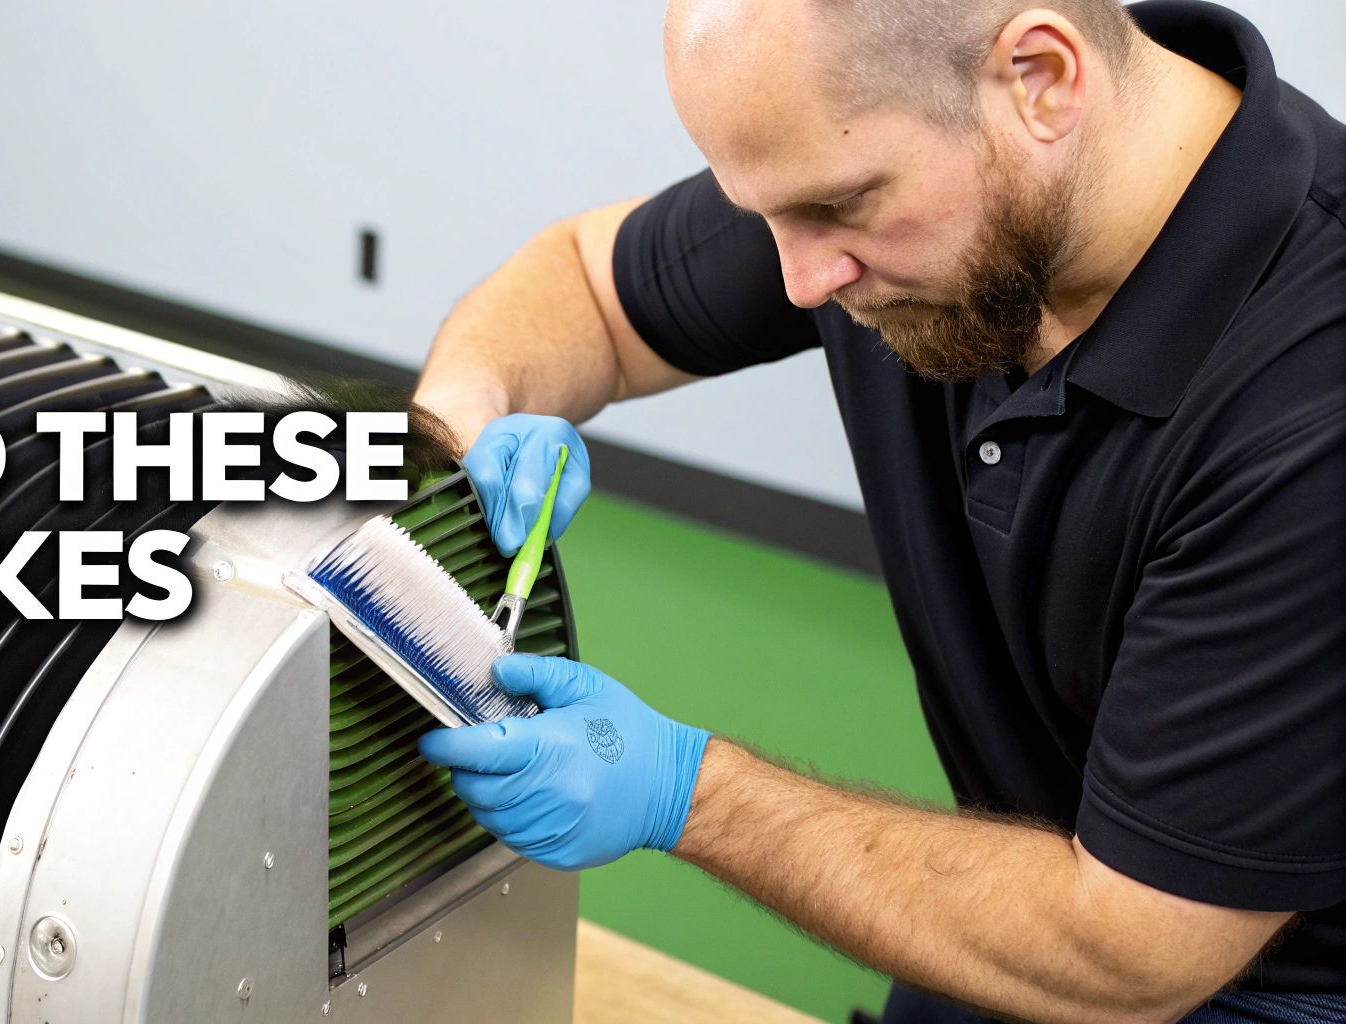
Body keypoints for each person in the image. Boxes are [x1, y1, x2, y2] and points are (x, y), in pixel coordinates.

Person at [410, 1, 1346, 1021]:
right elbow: (587, 285)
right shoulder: (887, 147)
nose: (800, 282)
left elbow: (1130, 955)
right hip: (1033, 890)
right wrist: (462, 424)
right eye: (767, 215)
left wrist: (683, 790)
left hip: (1231, 976)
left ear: (1041, 79)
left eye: (837, 206)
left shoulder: (1311, 403)